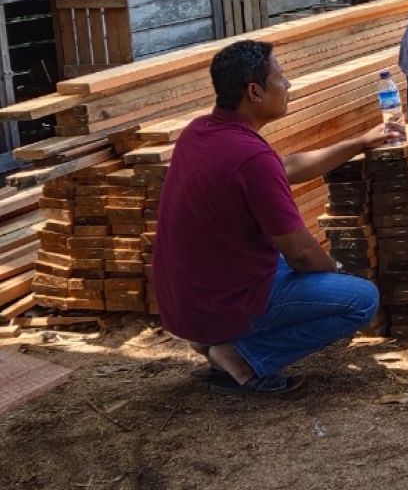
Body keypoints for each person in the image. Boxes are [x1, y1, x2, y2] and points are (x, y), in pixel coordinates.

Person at [153, 41, 387, 397]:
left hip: (185, 299)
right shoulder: (250, 157)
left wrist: (360, 143)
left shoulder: (199, 132)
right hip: (216, 302)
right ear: (255, 91)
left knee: (283, 267)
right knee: (360, 299)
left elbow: (287, 167)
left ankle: (213, 340)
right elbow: (301, 254)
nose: (288, 84)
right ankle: (244, 356)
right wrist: (333, 271)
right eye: (281, 77)